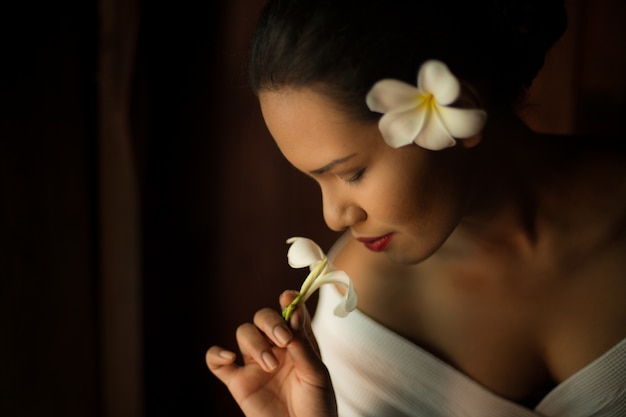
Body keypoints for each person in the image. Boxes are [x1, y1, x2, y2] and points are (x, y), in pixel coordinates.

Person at [206, 0, 626, 415]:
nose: (333, 217)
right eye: (313, 180)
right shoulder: (357, 319)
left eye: (351, 174)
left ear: (456, 108)